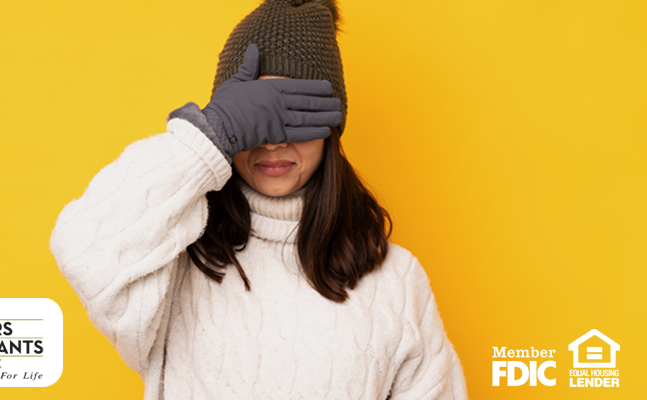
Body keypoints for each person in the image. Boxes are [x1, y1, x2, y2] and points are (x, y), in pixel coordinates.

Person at [49, 0, 468, 399]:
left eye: (291, 113)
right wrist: (211, 133)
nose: (273, 138)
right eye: (254, 116)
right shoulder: (173, 259)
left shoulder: (396, 280)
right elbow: (83, 247)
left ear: (330, 124)